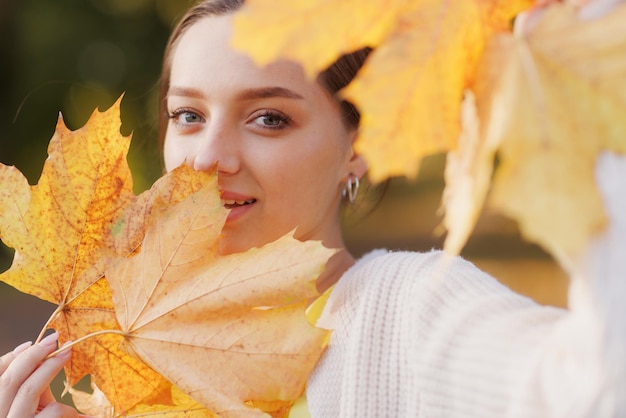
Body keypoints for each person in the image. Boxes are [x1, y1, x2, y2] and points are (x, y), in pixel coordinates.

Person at [1, 0, 625, 416]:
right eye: (188, 115)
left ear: (359, 148)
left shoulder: (403, 317)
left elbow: (601, 393)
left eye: (268, 118)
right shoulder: (132, 368)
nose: (208, 156)